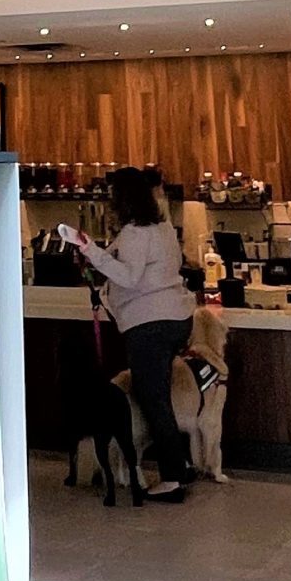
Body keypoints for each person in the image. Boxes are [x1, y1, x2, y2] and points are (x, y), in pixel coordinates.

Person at [69, 168, 195, 504]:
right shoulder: (162, 228)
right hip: (175, 317)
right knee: (157, 395)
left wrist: (93, 253)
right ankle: (179, 464)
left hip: (149, 324)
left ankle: (172, 479)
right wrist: (94, 252)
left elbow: (128, 276)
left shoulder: (136, 233)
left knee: (153, 400)